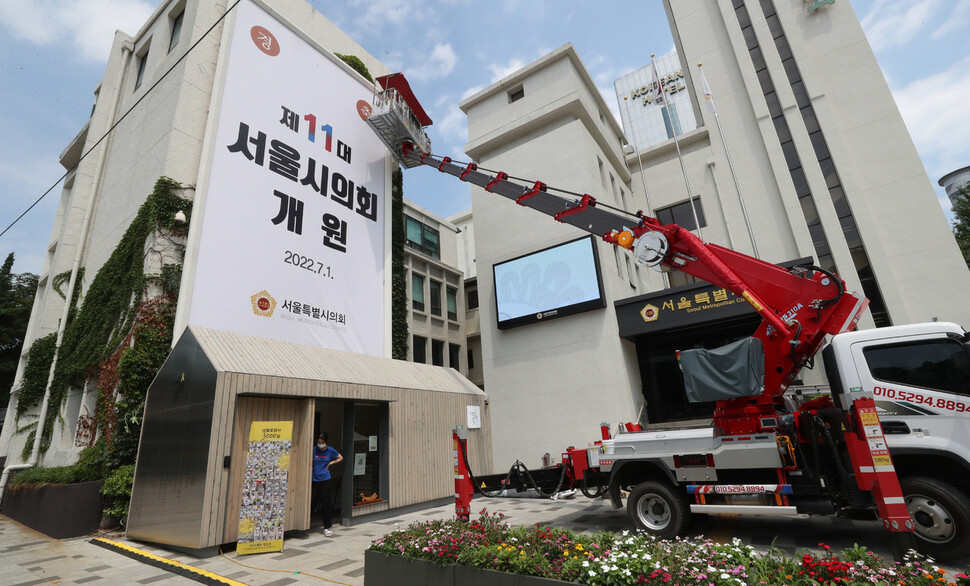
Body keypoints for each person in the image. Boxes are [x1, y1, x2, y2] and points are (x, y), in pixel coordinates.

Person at [311, 432, 343, 536]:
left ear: (325, 442)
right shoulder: (314, 449)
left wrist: (331, 463)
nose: (320, 444)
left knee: (326, 503)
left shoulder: (330, 450)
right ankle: (307, 522)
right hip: (315, 479)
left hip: (325, 479)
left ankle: (327, 527)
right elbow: (309, 460)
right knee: (312, 502)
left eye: (322, 442)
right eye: (319, 442)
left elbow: (340, 457)